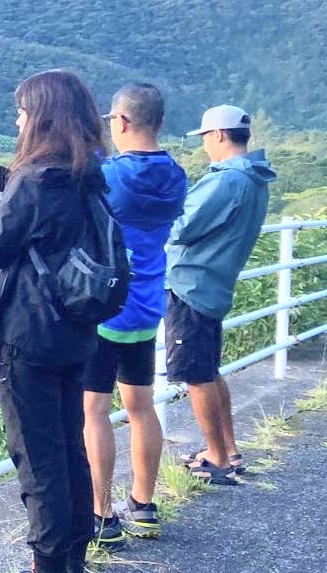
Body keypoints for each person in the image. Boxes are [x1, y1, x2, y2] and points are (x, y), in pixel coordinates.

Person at [0, 69, 108, 573]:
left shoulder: (37, 179)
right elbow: (40, 237)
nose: (17, 120)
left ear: (41, 116)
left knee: (38, 462)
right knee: (70, 451)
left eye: (22, 112)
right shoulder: (88, 175)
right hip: (75, 332)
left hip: (29, 336)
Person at [83, 84, 188, 545]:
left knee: (94, 411)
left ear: (120, 122)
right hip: (146, 307)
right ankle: (143, 505)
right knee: (142, 408)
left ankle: (102, 515)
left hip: (105, 306)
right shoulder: (177, 175)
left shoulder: (110, 176)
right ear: (159, 122)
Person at [166, 104, 277, 485]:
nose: (204, 148)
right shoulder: (255, 178)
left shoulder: (226, 180)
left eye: (204, 139)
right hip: (214, 285)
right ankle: (228, 449)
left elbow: (181, 227)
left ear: (217, 136)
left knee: (196, 375)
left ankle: (215, 458)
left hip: (192, 285)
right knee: (209, 371)